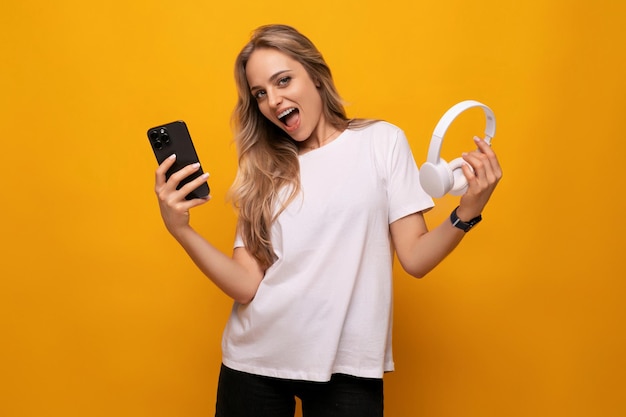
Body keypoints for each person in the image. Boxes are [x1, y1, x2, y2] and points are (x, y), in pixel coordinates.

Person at [154, 24, 502, 417]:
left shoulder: (382, 142)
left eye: (283, 80)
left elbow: (415, 258)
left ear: (316, 76)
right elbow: (246, 284)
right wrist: (181, 230)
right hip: (254, 364)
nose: (273, 100)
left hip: (349, 367)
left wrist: (467, 211)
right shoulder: (263, 168)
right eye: (260, 94)